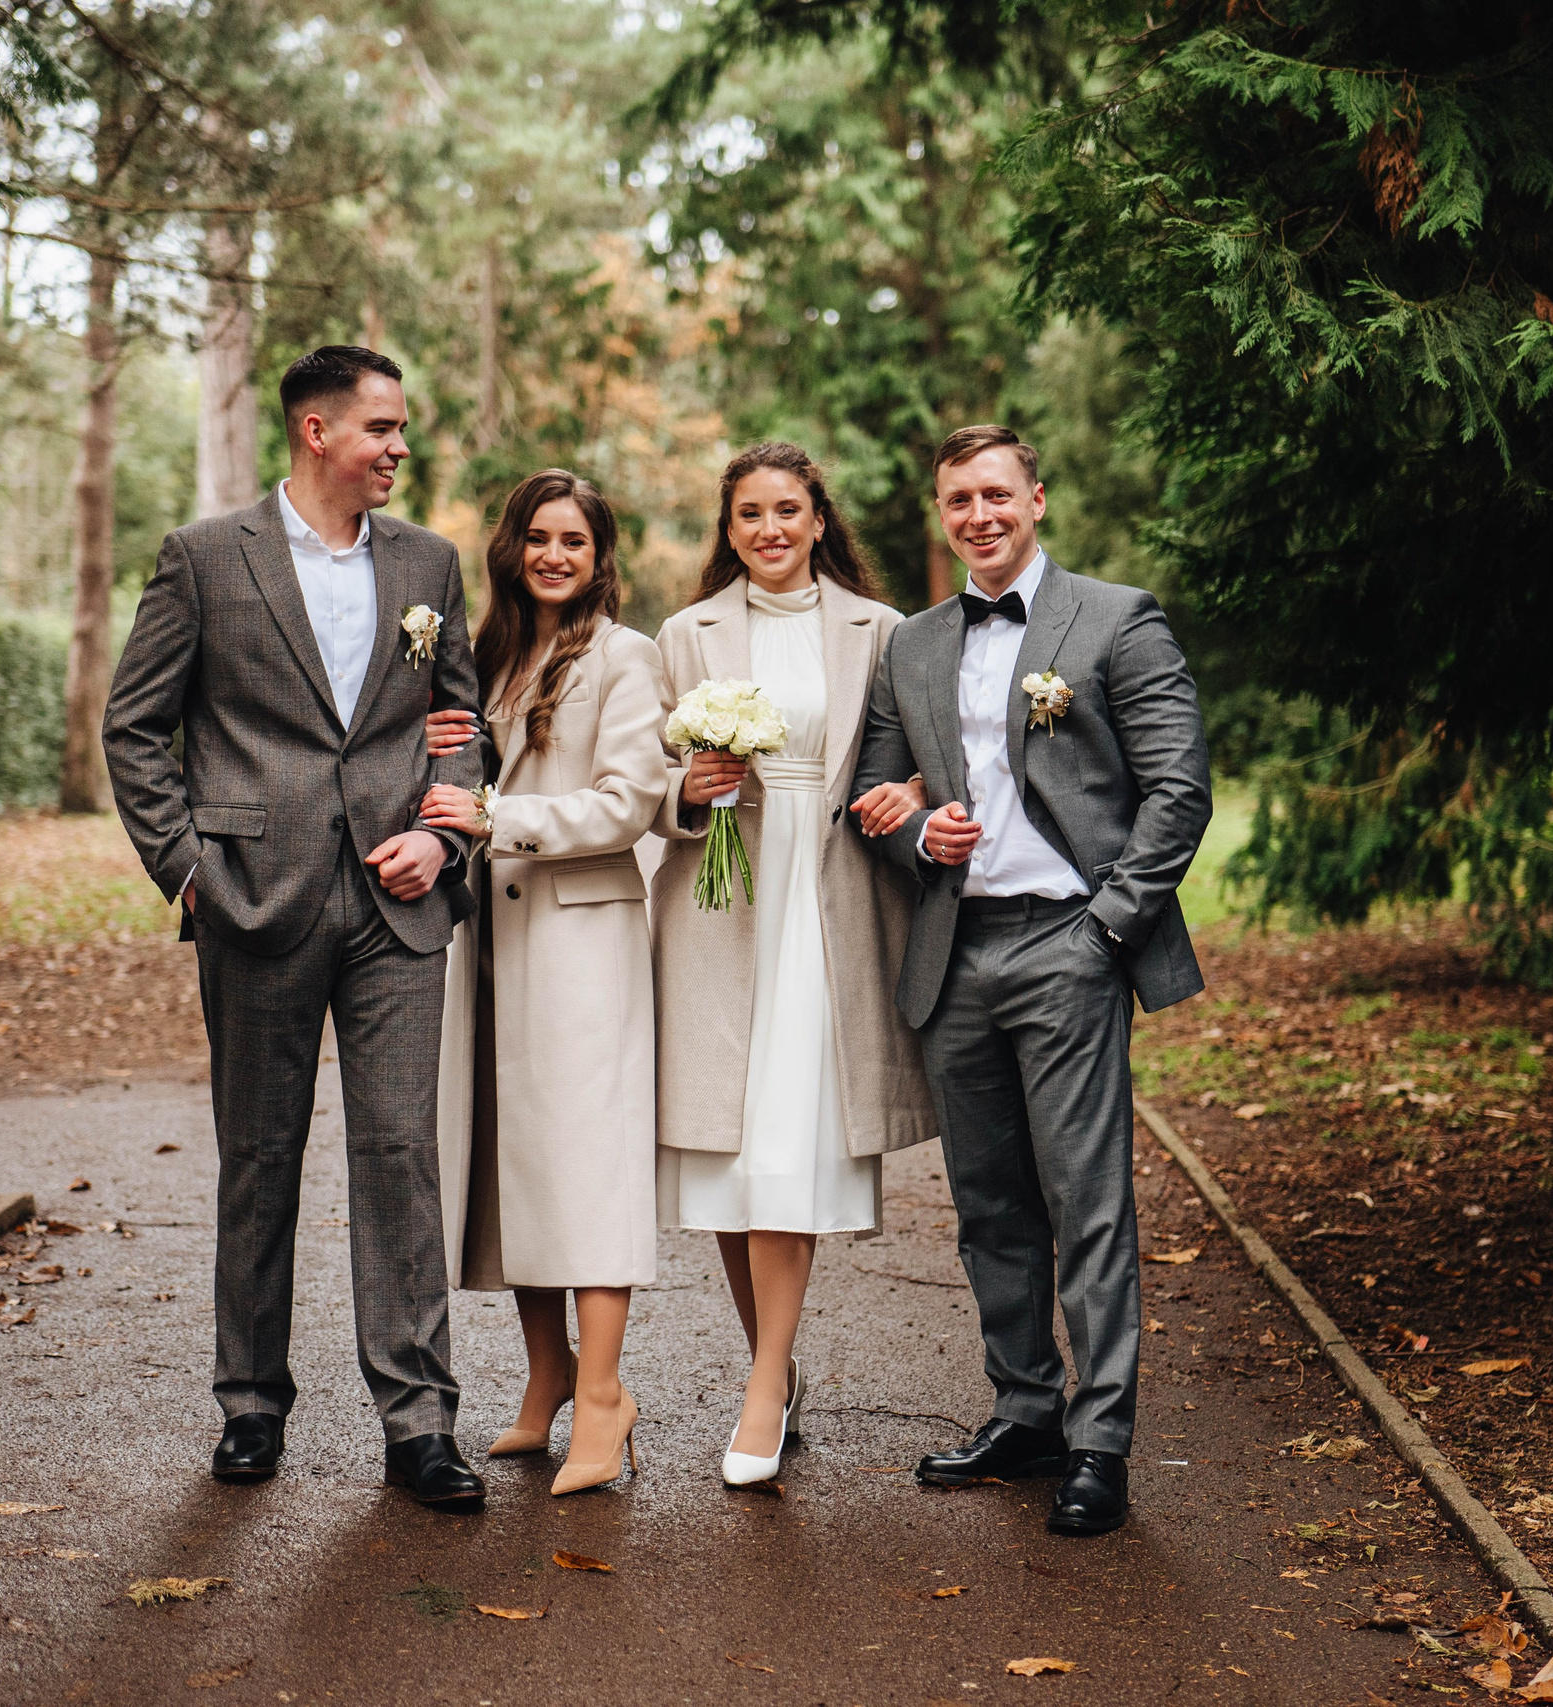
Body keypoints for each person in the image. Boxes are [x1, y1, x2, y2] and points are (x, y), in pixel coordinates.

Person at [102, 344, 489, 1512]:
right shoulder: (205, 559)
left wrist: (447, 838)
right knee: (259, 1158)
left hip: (398, 904)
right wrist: (187, 872)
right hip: (251, 901)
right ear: (317, 432)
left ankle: (419, 1424)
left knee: (398, 1160)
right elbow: (135, 727)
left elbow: (458, 718)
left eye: (402, 430)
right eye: (382, 429)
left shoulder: (428, 561)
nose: (399, 449)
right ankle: (250, 1404)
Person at [850, 424, 1211, 1537]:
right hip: (956, 951)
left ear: (1037, 499)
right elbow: (870, 790)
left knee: (1085, 1203)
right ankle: (1025, 1412)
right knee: (989, 1204)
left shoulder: (1114, 618)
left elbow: (1178, 790)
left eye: (996, 494)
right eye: (958, 499)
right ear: (942, 514)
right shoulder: (911, 644)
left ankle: (1100, 1444)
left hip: (1069, 943)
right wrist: (917, 837)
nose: (979, 515)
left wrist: (1106, 927)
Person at [648, 442, 938, 1487]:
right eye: (747, 515)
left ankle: (764, 1385)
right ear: (727, 531)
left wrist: (905, 795)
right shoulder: (685, 635)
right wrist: (691, 791)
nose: (768, 530)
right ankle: (774, 1365)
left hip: (831, 907)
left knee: (791, 1148)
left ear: (819, 519)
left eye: (787, 511)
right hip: (723, 909)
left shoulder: (882, 631)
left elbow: (914, 756)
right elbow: (646, 779)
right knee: (732, 1159)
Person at [418, 469, 670, 1498]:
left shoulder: (625, 657)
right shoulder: (487, 656)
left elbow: (628, 803)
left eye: (574, 540)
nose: (554, 555)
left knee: (586, 1171)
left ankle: (606, 1394)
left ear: (599, 554)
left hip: (579, 948)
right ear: (511, 549)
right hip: (488, 945)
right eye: (538, 538)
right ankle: (547, 1376)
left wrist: (499, 819)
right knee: (510, 1169)